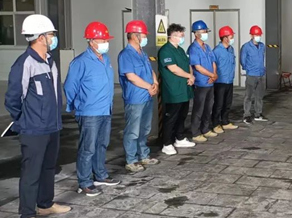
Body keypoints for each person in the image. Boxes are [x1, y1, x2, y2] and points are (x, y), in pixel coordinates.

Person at [5, 14, 71, 218]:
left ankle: (45, 204)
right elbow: (13, 99)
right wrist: (25, 120)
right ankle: (26, 215)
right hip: (34, 129)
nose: (53, 38)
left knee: (48, 168)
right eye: (51, 35)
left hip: (52, 125)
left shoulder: (49, 61)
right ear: (41, 37)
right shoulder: (24, 63)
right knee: (31, 172)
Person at [64, 21, 119, 197]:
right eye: (102, 40)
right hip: (89, 112)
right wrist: (75, 105)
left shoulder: (106, 59)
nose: (105, 43)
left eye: (106, 40)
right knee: (87, 148)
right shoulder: (80, 62)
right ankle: (85, 182)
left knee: (102, 144)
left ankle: (100, 175)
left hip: (105, 110)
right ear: (91, 41)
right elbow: (70, 86)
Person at [118, 20, 160, 173]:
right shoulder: (126, 55)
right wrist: (149, 86)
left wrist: (155, 83)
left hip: (147, 96)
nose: (145, 38)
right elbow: (131, 77)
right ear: (135, 36)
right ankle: (131, 160)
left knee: (145, 129)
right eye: (143, 35)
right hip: (135, 98)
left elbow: (150, 70)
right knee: (133, 130)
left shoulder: (142, 53)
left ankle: (144, 155)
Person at [157, 23, 195, 155]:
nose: (182, 38)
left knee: (182, 115)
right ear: (172, 36)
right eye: (180, 35)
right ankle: (167, 143)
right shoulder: (165, 51)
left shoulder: (180, 50)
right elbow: (173, 68)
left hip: (184, 89)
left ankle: (180, 138)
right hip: (173, 90)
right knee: (171, 118)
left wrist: (191, 76)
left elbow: (187, 64)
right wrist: (189, 76)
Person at [188, 20, 218, 142]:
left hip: (210, 82)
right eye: (203, 31)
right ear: (196, 33)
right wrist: (211, 75)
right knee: (198, 109)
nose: (206, 33)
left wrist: (214, 75)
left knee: (208, 107)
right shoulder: (193, 49)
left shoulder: (207, 47)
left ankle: (205, 129)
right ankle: (195, 132)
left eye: (206, 31)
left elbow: (213, 62)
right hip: (200, 83)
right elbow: (197, 67)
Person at [212, 26, 239, 133]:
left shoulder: (231, 49)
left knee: (227, 104)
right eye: (231, 36)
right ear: (225, 38)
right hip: (220, 82)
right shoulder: (217, 51)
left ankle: (225, 121)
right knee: (218, 104)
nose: (232, 38)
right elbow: (213, 65)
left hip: (229, 80)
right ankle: (215, 124)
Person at [241, 25, 267, 124]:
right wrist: (248, 69)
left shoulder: (262, 46)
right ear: (251, 35)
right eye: (256, 35)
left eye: (259, 35)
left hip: (261, 74)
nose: (258, 37)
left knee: (259, 96)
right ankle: (246, 115)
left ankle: (258, 114)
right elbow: (243, 60)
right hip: (251, 74)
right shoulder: (246, 47)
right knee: (248, 96)